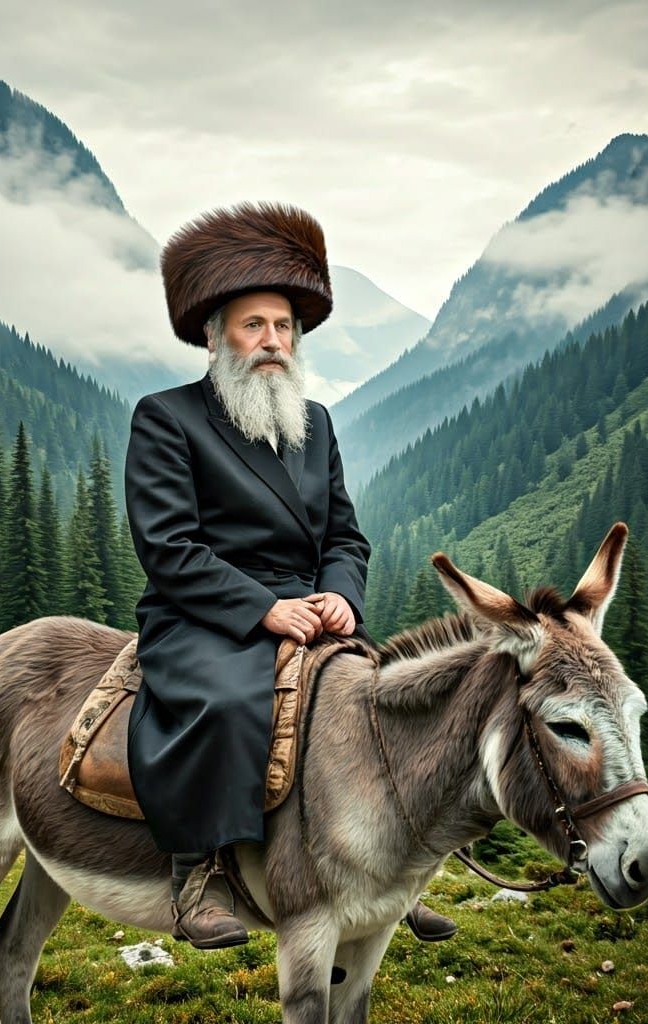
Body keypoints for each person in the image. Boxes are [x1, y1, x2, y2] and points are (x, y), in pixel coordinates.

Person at [124, 202, 457, 949]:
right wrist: (263, 611)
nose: (273, 340)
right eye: (254, 325)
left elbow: (345, 535)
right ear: (215, 336)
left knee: (391, 704)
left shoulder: (316, 423)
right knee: (225, 702)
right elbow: (169, 548)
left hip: (313, 609)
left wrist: (340, 595)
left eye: (283, 326)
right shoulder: (166, 418)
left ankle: (392, 874)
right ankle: (199, 874)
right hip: (204, 615)